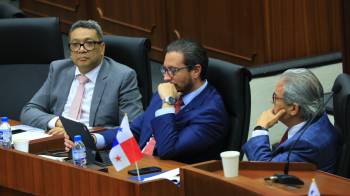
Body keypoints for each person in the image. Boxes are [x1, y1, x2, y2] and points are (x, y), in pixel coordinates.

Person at [65, 39, 228, 164]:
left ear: (196, 71)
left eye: (173, 70)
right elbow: (136, 130)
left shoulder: (210, 112)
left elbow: (168, 150)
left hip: (172, 179)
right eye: (164, 69)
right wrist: (93, 140)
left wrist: (168, 103)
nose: (165, 77)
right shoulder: (168, 90)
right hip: (136, 165)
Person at [20, 20, 143, 135]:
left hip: (95, 149)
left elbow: (132, 127)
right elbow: (29, 111)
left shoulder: (123, 76)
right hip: (56, 141)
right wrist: (59, 122)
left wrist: (78, 132)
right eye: (75, 44)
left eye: (89, 43)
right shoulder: (59, 69)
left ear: (102, 48)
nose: (81, 50)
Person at [242, 68, 338, 173]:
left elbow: (266, 172)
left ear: (293, 108)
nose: (271, 101)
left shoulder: (307, 144)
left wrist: (260, 129)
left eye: (276, 97)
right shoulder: (317, 116)